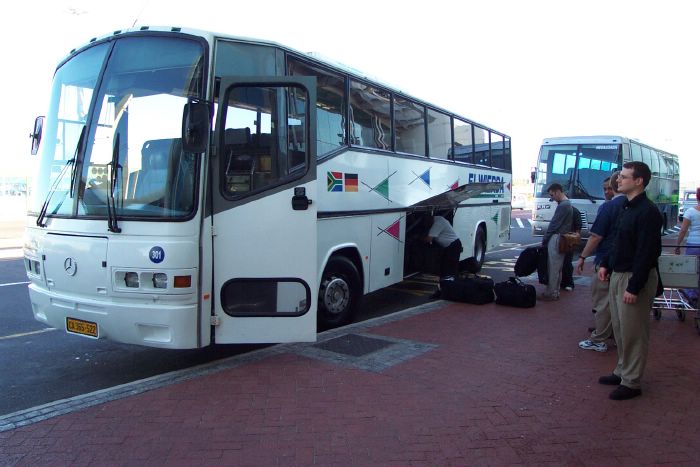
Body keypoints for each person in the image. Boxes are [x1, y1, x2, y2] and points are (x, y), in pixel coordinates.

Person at [598, 161, 662, 400]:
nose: (618, 180)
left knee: (634, 330)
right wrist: (606, 263)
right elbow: (618, 241)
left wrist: (635, 286)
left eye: (624, 177)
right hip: (619, 274)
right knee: (620, 328)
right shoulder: (626, 207)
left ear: (639, 181)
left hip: (634, 277)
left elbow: (647, 252)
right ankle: (622, 370)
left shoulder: (648, 212)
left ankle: (632, 382)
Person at [575, 173, 625, 352]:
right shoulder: (634, 205)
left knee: (602, 301)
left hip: (605, 259)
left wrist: (582, 257)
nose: (606, 192)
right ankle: (611, 331)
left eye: (609, 188)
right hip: (625, 263)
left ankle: (599, 338)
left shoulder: (609, 207)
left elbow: (596, 236)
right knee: (617, 302)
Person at [540, 183, 573, 301]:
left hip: (557, 237)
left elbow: (554, 224)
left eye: (552, 195)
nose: (552, 198)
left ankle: (551, 292)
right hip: (563, 238)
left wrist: (545, 239)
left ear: (558, 191)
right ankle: (555, 291)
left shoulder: (563, 205)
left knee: (553, 267)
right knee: (558, 267)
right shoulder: (568, 204)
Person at [419, 214, 463, 298]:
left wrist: (418, 238)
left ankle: (449, 291)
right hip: (448, 247)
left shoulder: (438, 222)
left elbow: (429, 239)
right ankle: (443, 290)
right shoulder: (437, 220)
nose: (426, 225)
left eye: (426, 222)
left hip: (453, 246)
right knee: (444, 270)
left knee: (449, 270)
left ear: (430, 219)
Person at [674, 186, 700, 305]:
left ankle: (691, 294)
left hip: (693, 244)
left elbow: (683, 230)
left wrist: (678, 245)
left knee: (692, 269)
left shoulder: (690, 211)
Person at [560, 205, 583, 291]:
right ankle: (565, 282)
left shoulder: (573, 211)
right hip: (564, 238)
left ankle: (568, 282)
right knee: (566, 261)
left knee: (567, 262)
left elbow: (578, 228)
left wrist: (575, 240)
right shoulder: (571, 210)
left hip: (568, 239)